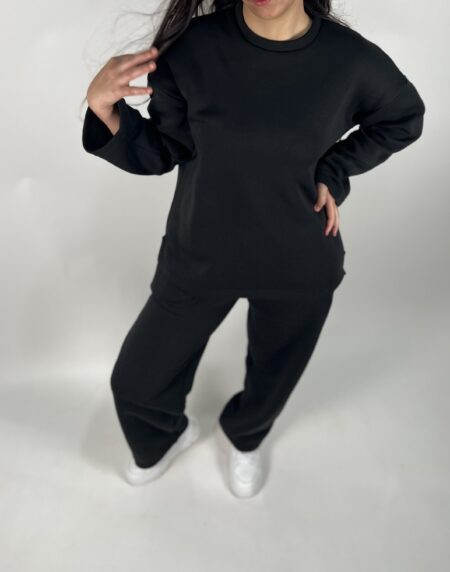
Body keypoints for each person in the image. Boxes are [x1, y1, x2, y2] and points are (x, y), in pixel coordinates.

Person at [81, 0, 425, 498]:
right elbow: (166, 149)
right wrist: (103, 108)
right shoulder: (192, 47)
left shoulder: (352, 61)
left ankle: (246, 436)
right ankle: (166, 434)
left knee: (274, 375)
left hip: (299, 259)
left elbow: (403, 117)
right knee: (136, 382)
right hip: (199, 253)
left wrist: (333, 171)